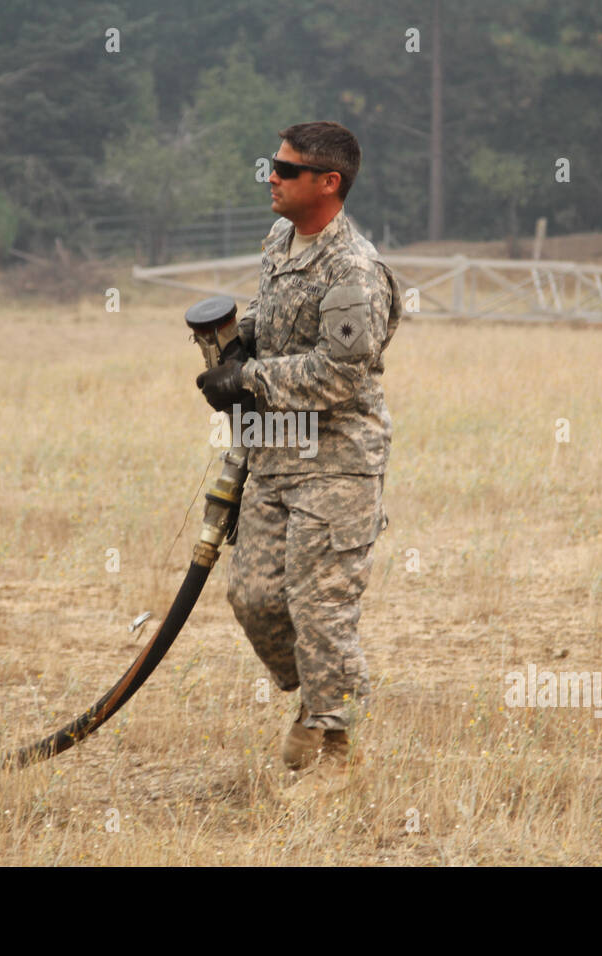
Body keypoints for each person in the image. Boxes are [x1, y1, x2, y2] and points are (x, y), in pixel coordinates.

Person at [195, 121, 402, 775]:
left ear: (328, 182)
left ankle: (338, 752)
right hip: (276, 450)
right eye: (271, 165)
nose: (271, 179)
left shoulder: (355, 270)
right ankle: (318, 700)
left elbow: (340, 373)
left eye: (285, 170)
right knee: (254, 599)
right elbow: (274, 312)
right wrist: (237, 341)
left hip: (338, 457)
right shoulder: (283, 237)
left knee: (320, 606)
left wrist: (249, 379)